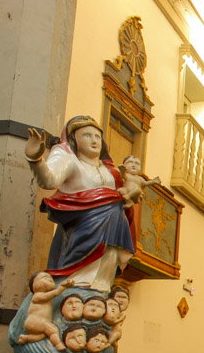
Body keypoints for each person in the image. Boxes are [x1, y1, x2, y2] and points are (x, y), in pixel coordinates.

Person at [25, 116, 136, 292]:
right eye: (87, 135)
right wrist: (35, 160)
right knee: (77, 274)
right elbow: (49, 180)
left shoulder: (110, 170)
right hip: (83, 226)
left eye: (97, 136)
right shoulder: (70, 160)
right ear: (74, 139)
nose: (94, 140)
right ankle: (74, 291)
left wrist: (128, 198)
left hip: (114, 228)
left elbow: (123, 196)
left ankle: (100, 291)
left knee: (106, 267)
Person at [14, 271, 72, 349]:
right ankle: (58, 344)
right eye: (45, 278)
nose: (49, 279)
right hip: (34, 322)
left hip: (40, 323)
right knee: (53, 330)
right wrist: (61, 288)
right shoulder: (37, 296)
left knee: (42, 336)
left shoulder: (47, 296)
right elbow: (55, 293)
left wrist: (63, 285)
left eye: (51, 279)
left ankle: (26, 338)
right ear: (34, 285)